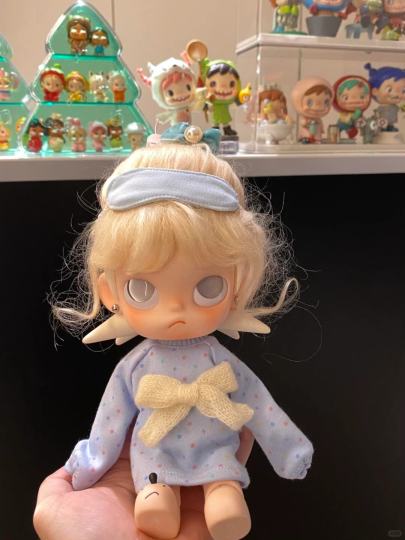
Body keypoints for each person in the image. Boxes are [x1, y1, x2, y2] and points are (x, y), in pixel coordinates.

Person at [37, 138, 313, 540]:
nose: (176, 310)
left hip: (217, 452)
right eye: (143, 290)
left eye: (208, 287)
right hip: (155, 455)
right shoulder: (136, 366)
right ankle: (159, 497)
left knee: (223, 488)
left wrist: (289, 449)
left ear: (237, 286)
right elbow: (111, 419)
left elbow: (260, 405)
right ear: (110, 292)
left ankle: (221, 493)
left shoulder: (219, 361)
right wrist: (92, 462)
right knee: (155, 489)